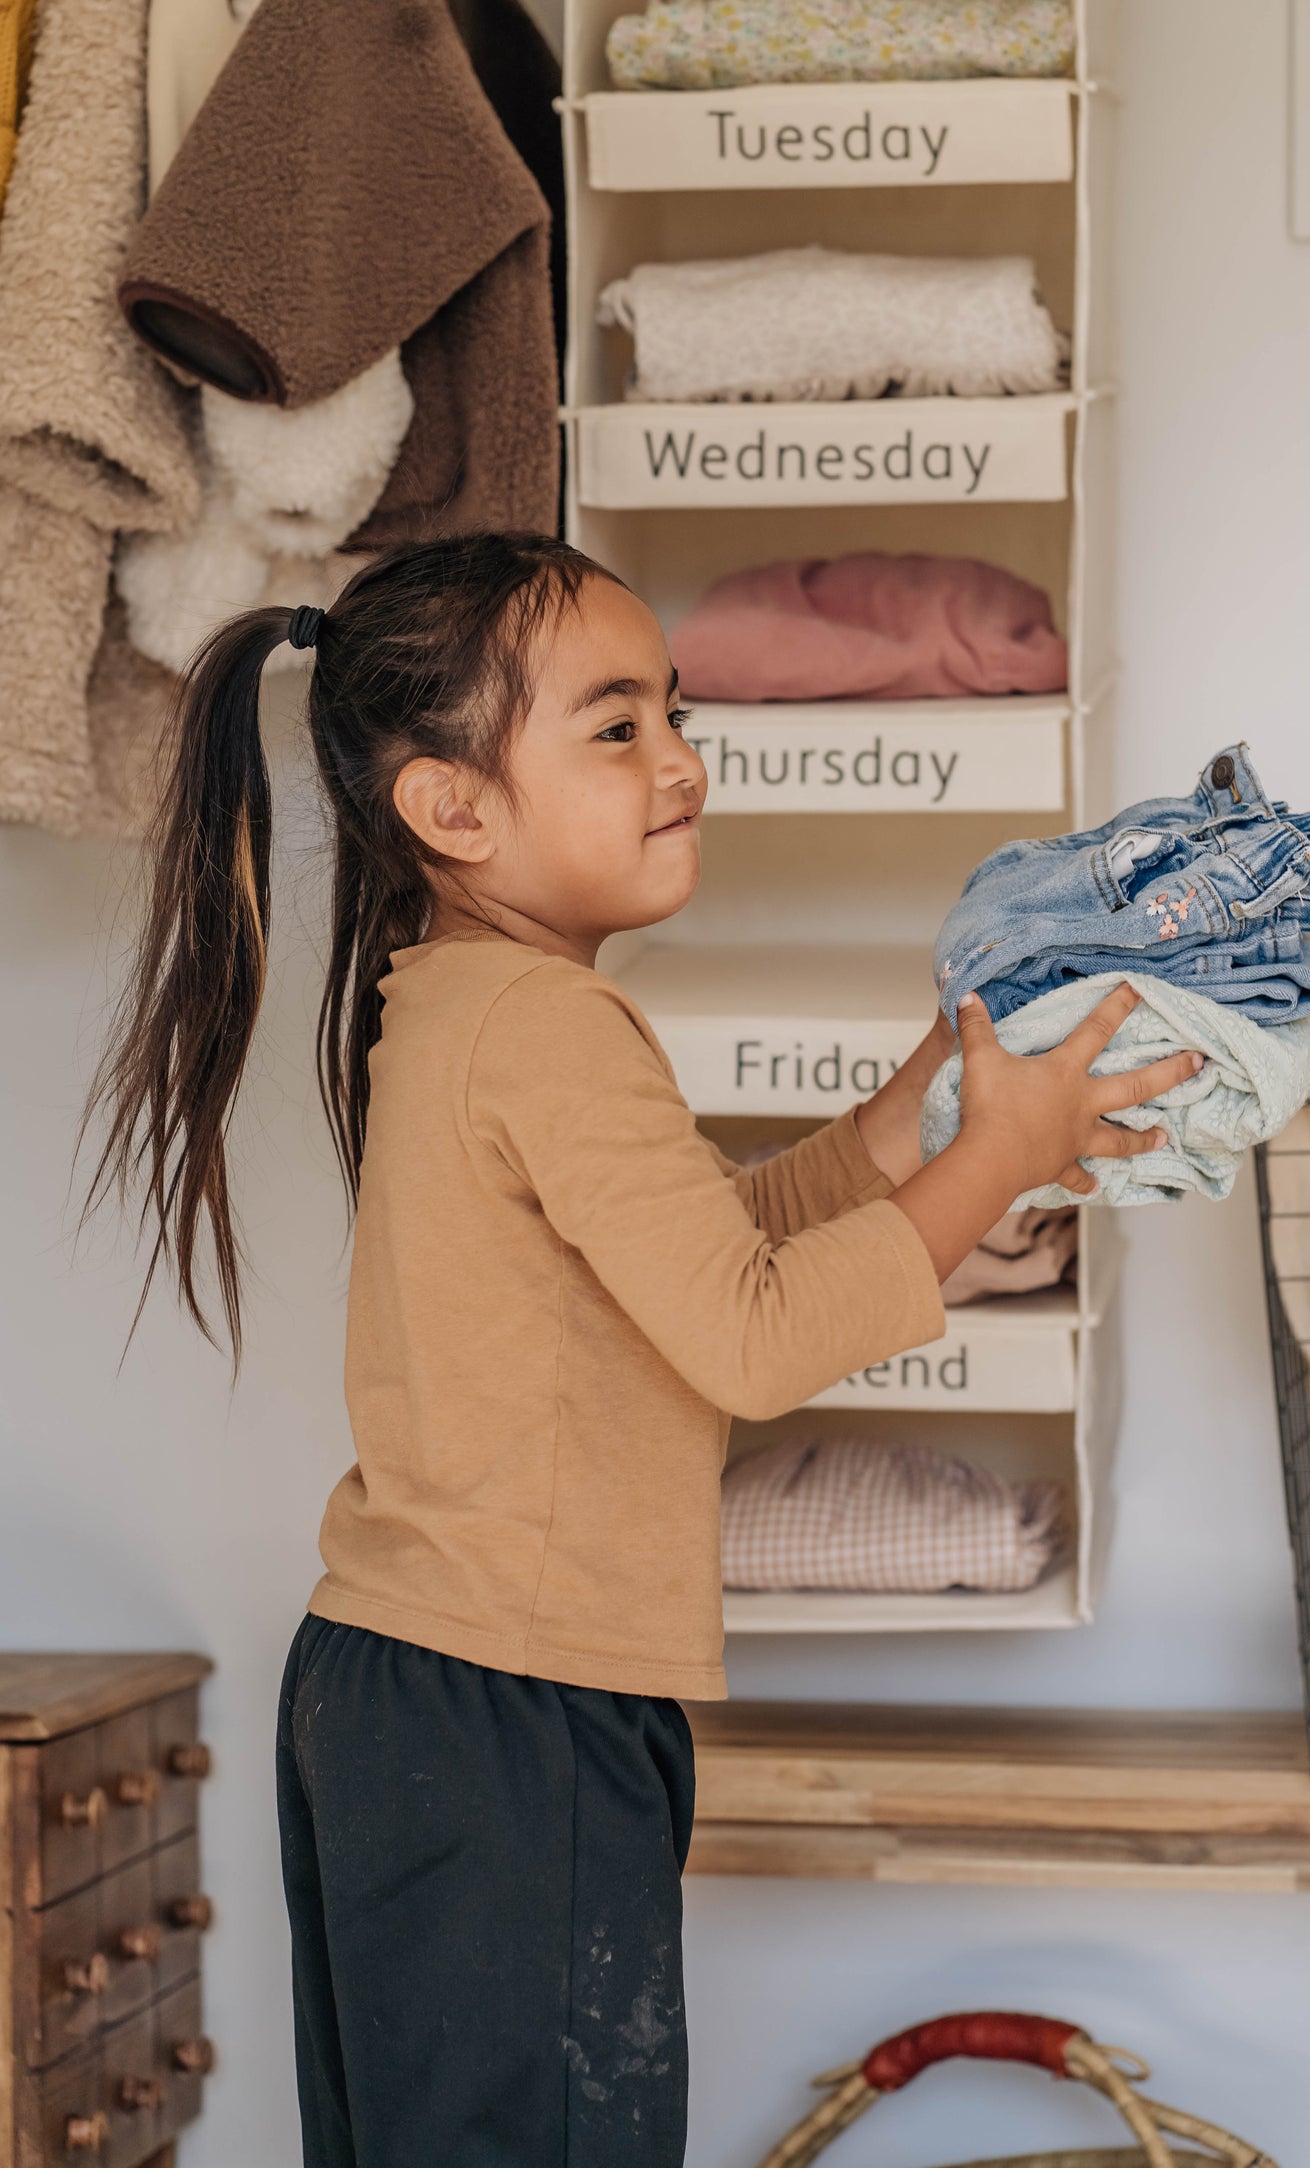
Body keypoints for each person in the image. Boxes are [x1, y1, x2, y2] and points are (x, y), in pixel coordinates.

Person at [79, 532, 1198, 2167]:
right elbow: (750, 1339)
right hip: (507, 1715)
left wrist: (905, 1124)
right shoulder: (547, 1027)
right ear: (452, 811)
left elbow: (699, 1261)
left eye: (673, 711)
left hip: (422, 1697)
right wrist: (995, 1163)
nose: (681, 760)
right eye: (615, 727)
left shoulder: (470, 1002)